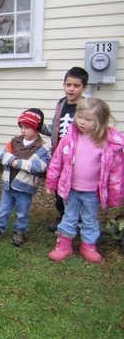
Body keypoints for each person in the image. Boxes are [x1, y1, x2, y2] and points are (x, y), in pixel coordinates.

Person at [46, 98, 124, 262]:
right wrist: (51, 182)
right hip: (71, 190)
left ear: (100, 121)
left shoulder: (109, 144)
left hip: (92, 193)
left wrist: (115, 196)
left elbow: (117, 173)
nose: (81, 122)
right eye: (79, 117)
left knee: (90, 219)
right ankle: (64, 245)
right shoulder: (69, 138)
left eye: (88, 119)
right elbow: (56, 161)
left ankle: (88, 245)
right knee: (69, 217)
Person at [0, 109, 49, 246]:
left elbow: (41, 166)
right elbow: (3, 155)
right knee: (3, 209)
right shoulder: (15, 141)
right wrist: (11, 158)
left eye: (27, 127)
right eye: (21, 127)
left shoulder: (42, 147)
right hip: (8, 184)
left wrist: (19, 163)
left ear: (36, 129)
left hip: (25, 188)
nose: (23, 130)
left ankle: (19, 231)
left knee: (22, 212)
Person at [41, 67, 89, 230]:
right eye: (68, 84)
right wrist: (37, 126)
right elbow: (56, 129)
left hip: (78, 159)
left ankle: (79, 222)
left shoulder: (87, 107)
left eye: (76, 85)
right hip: (58, 157)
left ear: (84, 87)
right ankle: (63, 218)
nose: (71, 89)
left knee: (76, 192)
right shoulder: (61, 104)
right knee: (59, 191)